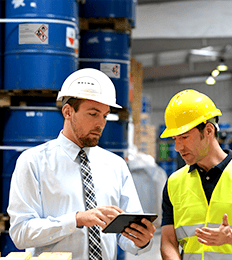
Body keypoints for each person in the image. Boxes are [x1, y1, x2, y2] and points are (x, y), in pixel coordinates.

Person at [7, 68, 156, 260]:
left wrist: (141, 240)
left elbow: (126, 236)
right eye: (93, 114)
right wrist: (76, 220)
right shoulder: (33, 162)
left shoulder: (115, 165)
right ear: (68, 112)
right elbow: (20, 233)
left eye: (104, 115)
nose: (101, 124)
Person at [160, 89, 232, 260]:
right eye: (174, 139)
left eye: (184, 137)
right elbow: (168, 240)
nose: (177, 147)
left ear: (208, 131)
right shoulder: (174, 183)